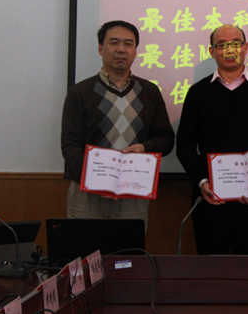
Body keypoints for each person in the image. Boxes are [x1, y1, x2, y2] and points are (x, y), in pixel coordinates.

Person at [176, 25, 248, 254]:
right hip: (210, 198)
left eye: (236, 43)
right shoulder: (198, 93)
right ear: (211, 51)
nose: (229, 50)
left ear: (246, 48)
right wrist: (202, 182)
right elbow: (185, 145)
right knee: (211, 266)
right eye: (222, 45)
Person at [61, 20, 174, 224]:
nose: (121, 49)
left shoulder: (150, 92)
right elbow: (70, 146)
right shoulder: (80, 92)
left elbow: (166, 139)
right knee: (84, 245)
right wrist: (95, 182)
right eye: (114, 42)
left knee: (129, 246)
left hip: (133, 192)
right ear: (100, 48)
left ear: (135, 51)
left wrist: (144, 148)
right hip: (87, 194)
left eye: (128, 44)